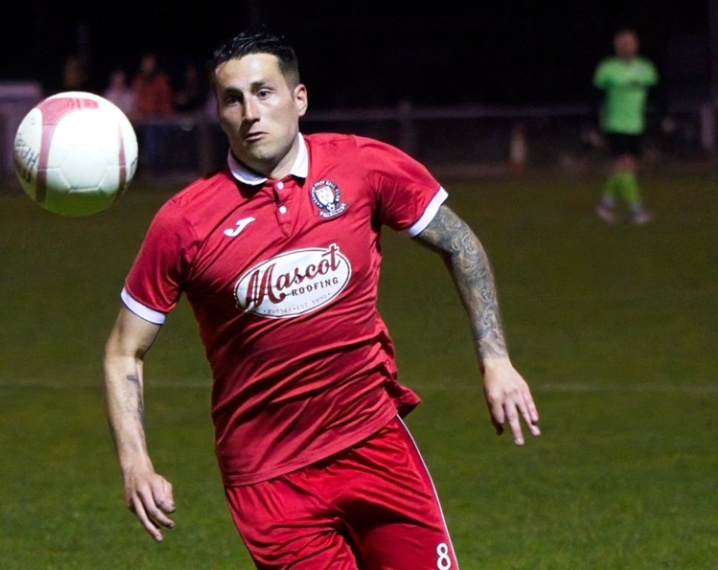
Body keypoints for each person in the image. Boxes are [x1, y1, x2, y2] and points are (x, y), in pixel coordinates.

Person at [103, 30, 540, 569]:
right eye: (232, 99)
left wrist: (495, 358)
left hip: (375, 446)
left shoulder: (363, 167)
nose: (250, 113)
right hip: (270, 479)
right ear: (218, 112)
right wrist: (135, 462)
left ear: (299, 98)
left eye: (264, 92)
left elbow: (459, 242)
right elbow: (125, 350)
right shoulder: (184, 221)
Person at [592, 29, 659, 225]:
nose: (626, 46)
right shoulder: (607, 68)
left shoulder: (646, 68)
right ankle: (637, 213)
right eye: (622, 43)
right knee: (626, 165)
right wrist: (594, 125)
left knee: (623, 168)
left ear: (636, 45)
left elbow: (656, 95)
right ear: (616, 47)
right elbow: (594, 98)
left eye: (629, 42)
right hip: (614, 124)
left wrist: (664, 118)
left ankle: (605, 207)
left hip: (636, 125)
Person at [129, 52, 174, 173]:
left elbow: (166, 100)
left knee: (157, 140)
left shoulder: (161, 80)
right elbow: (137, 101)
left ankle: (158, 169)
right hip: (143, 121)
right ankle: (144, 169)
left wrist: (162, 114)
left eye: (150, 64)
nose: (148, 66)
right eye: (145, 64)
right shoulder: (138, 81)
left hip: (159, 120)